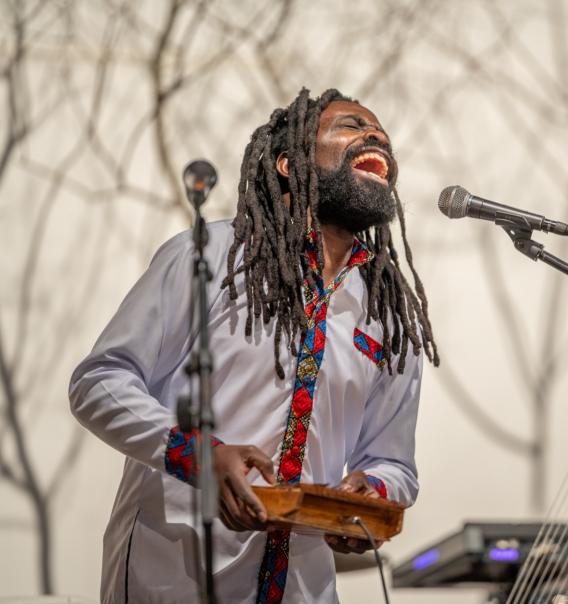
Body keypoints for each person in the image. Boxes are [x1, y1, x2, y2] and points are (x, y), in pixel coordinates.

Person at [69, 87, 438, 604]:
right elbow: (98, 382)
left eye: (381, 134)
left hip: (303, 587)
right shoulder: (210, 256)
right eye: (352, 126)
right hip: (175, 574)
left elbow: (392, 462)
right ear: (289, 163)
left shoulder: (390, 314)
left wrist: (370, 495)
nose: (376, 136)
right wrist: (198, 455)